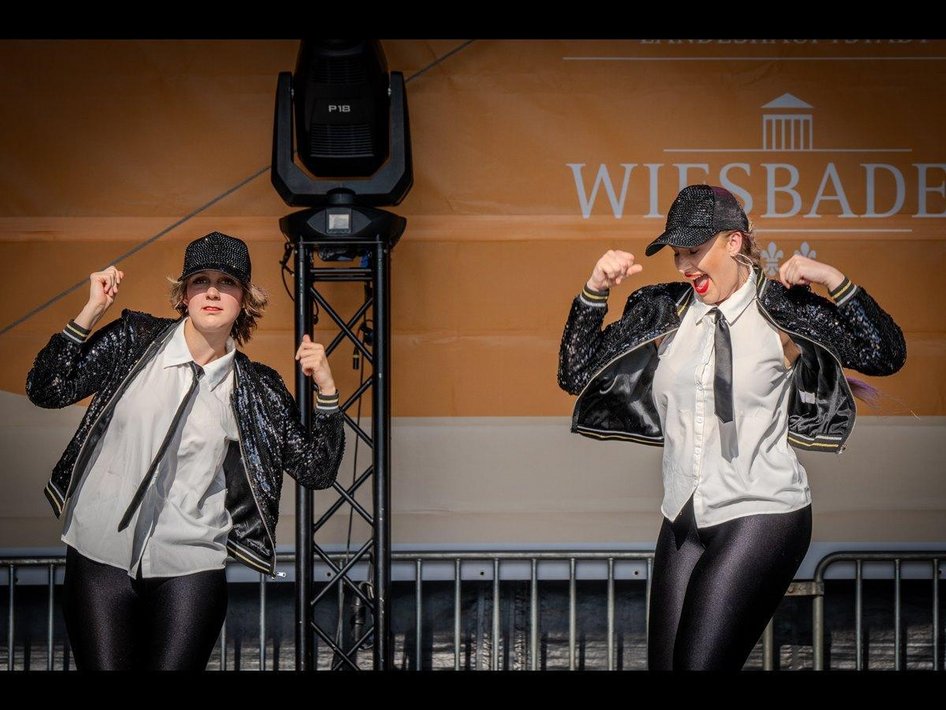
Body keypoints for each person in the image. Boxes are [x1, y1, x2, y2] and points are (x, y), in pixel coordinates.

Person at [557, 185, 906, 670]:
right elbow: (575, 374)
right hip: (682, 516)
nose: (684, 266)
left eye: (694, 251)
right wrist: (595, 288)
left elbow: (885, 353)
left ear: (734, 242)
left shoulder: (781, 309)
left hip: (761, 512)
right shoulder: (664, 310)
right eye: (678, 254)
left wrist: (832, 279)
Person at [26, 231, 345, 670]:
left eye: (227, 282)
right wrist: (91, 310)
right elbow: (46, 388)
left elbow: (317, 469)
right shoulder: (134, 340)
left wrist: (326, 390)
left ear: (245, 300)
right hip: (99, 555)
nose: (212, 291)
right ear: (184, 295)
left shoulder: (257, 387)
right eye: (200, 280)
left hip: (191, 566)